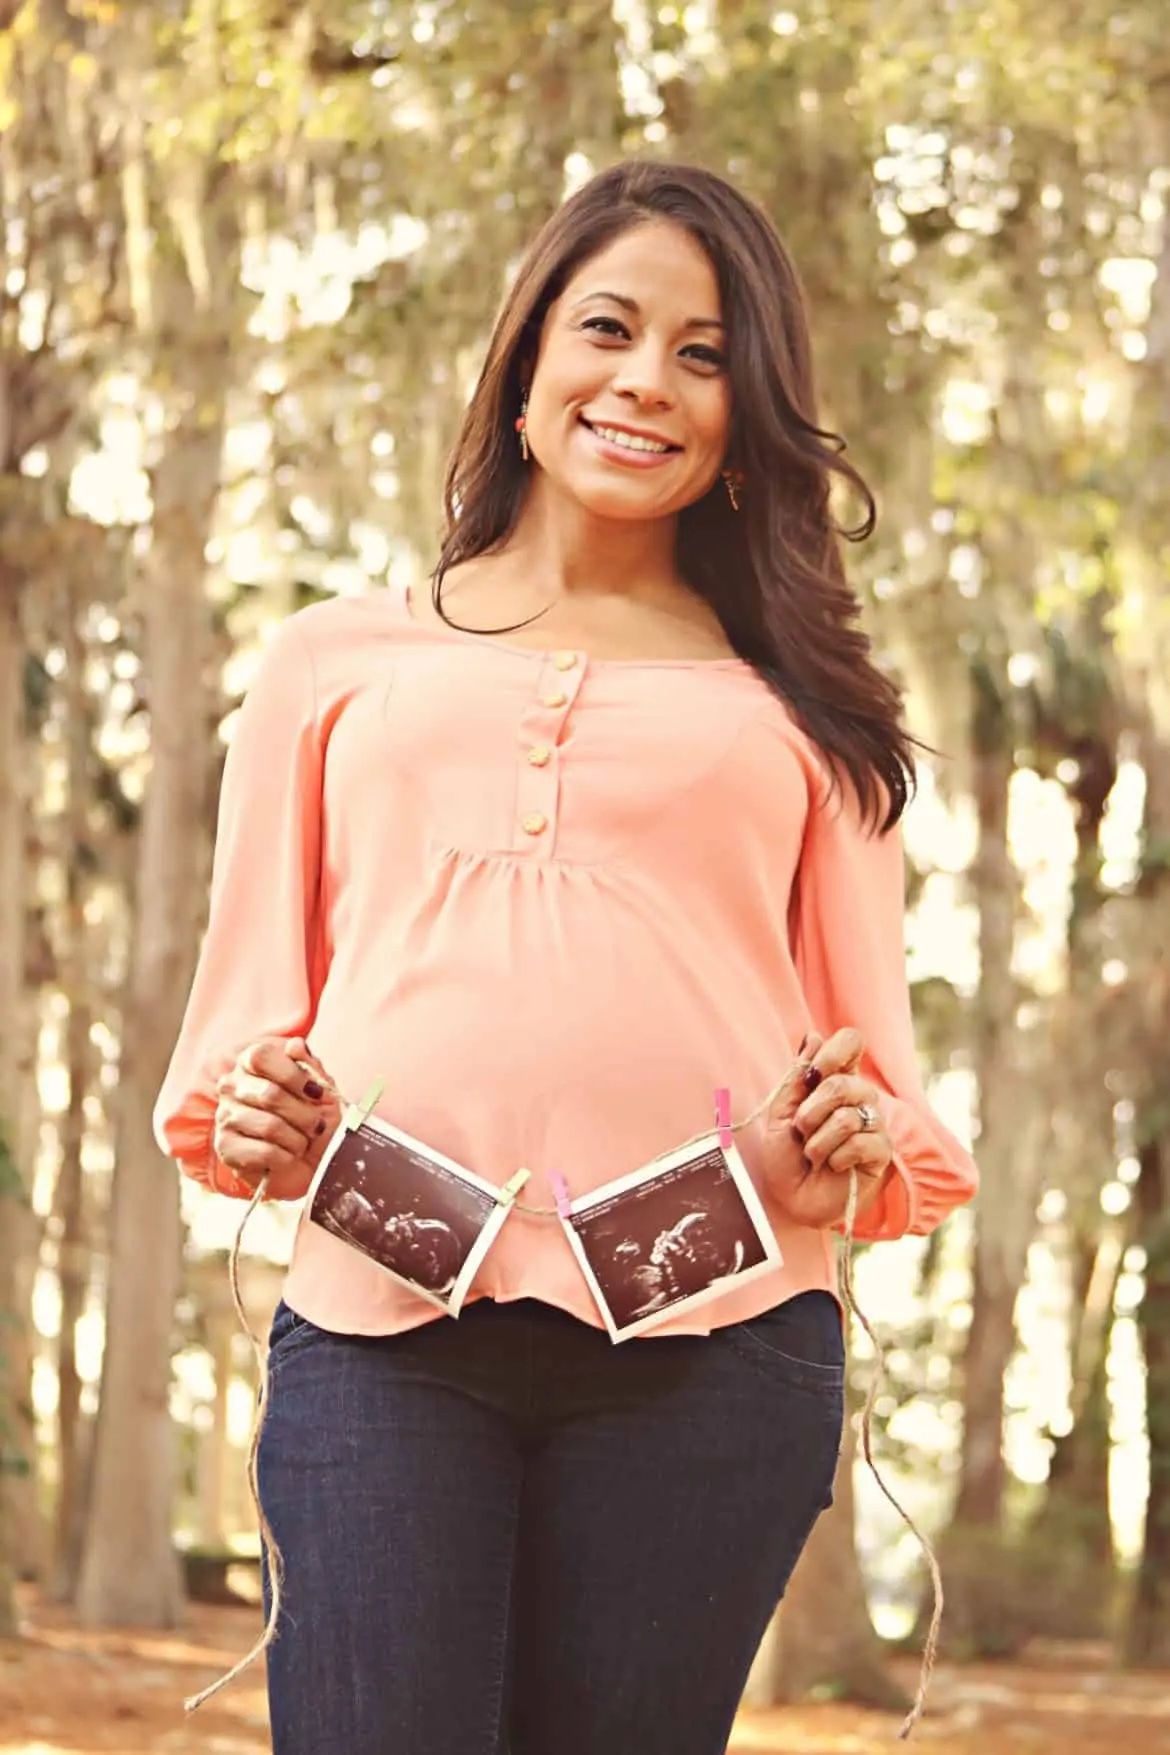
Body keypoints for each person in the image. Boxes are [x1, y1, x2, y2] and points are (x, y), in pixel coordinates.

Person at [154, 159, 978, 1755]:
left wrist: (851, 1148)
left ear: (746, 416)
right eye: (609, 327)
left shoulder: (811, 715)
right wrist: (255, 1116)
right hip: (380, 1331)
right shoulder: (332, 662)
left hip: (719, 1346)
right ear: (527, 356)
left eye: (703, 352)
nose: (646, 382)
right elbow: (246, 1031)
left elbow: (871, 1080)